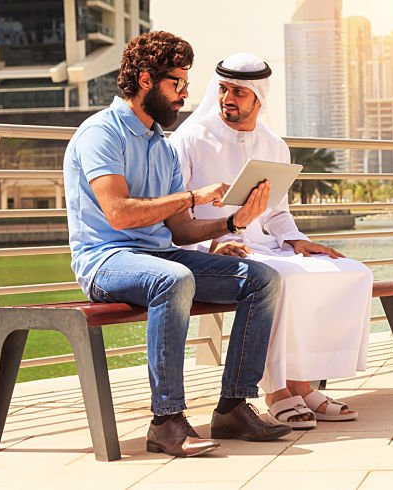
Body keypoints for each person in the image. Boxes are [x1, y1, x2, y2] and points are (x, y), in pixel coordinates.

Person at [63, 32, 291, 458]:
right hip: (106, 261)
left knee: (261, 279)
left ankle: (233, 407)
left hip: (160, 258)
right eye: (177, 84)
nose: (186, 94)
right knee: (174, 279)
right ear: (146, 80)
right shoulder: (101, 134)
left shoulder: (161, 147)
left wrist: (234, 221)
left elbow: (180, 230)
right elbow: (120, 213)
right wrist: (191, 196)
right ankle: (166, 421)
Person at [169, 52, 373, 430]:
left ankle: (302, 381)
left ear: (258, 99)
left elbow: (277, 212)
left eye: (238, 93)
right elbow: (177, 213)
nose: (227, 98)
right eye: (223, 89)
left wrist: (298, 241)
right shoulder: (189, 139)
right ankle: (278, 390)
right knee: (286, 279)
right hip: (208, 248)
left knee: (349, 271)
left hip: (263, 245)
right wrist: (210, 246)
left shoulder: (274, 144)